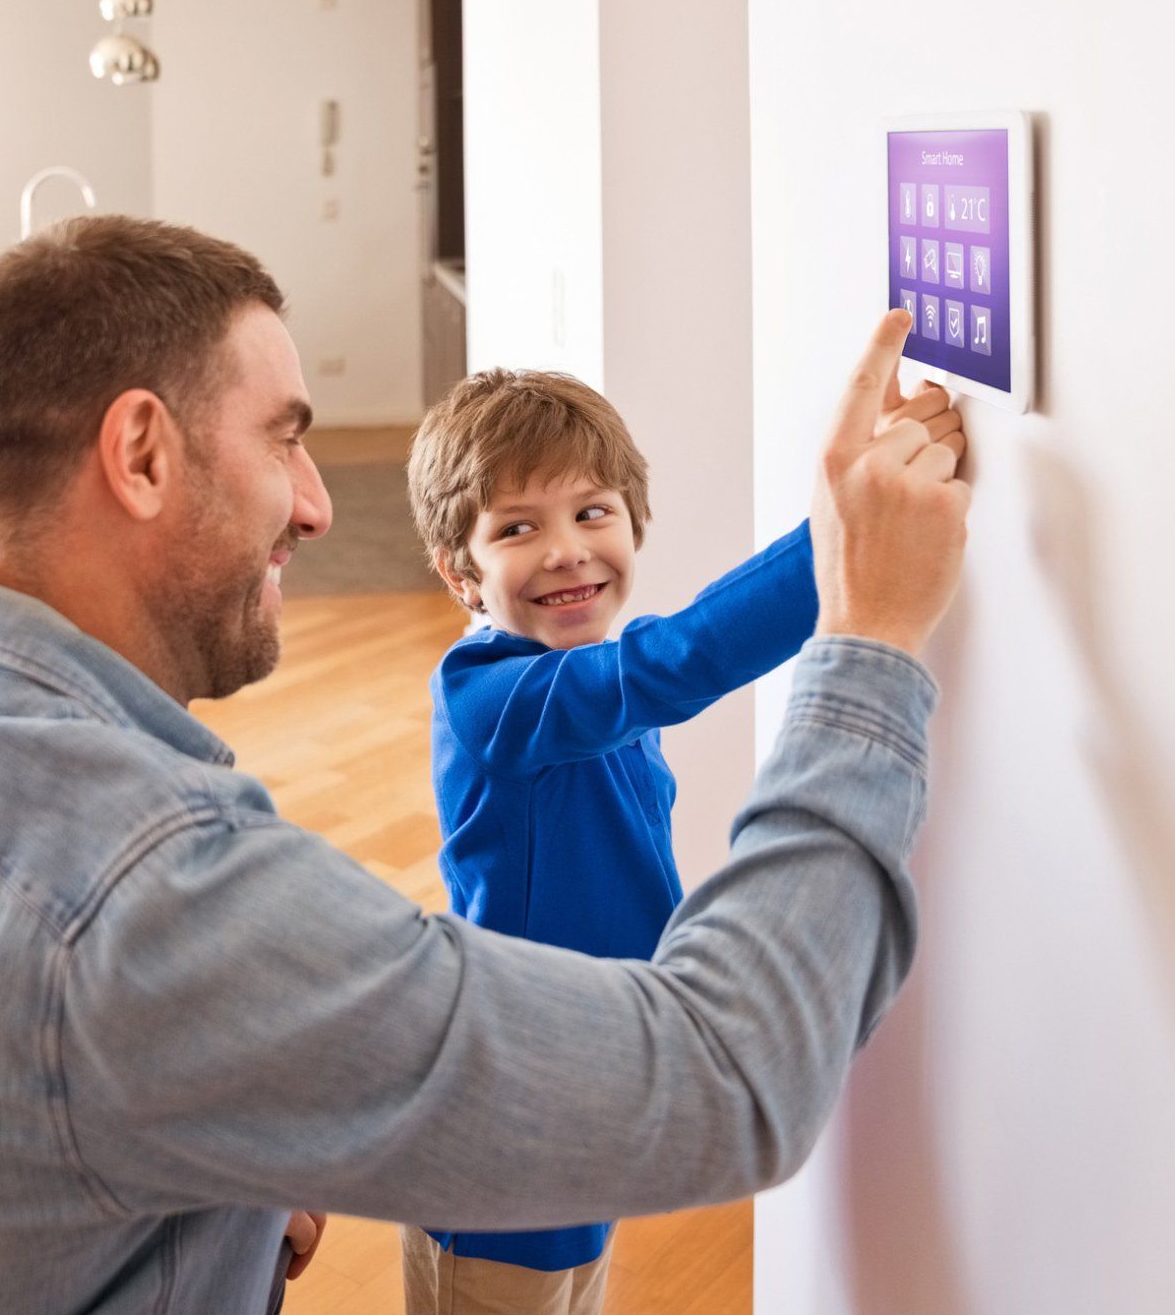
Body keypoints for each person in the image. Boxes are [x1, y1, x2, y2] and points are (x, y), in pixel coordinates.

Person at [0, 215, 970, 1314]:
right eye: (285, 436)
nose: (319, 502)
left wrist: (220, 1168)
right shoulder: (148, 902)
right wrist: (871, 633)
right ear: (141, 452)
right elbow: (734, 1080)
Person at [399, 367, 947, 1312]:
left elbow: (665, 655)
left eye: (593, 512)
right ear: (461, 573)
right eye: (517, 528)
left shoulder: (589, 676)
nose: (568, 552)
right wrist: (845, 529)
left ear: (633, 523)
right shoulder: (491, 700)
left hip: (597, 1074)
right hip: (505, 1111)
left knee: (572, 1286)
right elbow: (682, 658)